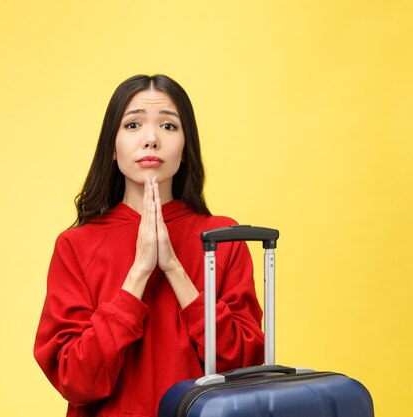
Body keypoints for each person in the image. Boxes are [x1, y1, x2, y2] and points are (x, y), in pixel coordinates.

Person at [34, 74, 264, 417]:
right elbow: (76, 381)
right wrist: (139, 272)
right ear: (112, 148)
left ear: (186, 149)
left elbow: (245, 369)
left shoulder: (224, 238)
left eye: (169, 126)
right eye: (133, 125)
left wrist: (173, 267)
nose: (151, 139)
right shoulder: (75, 245)